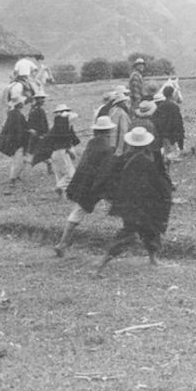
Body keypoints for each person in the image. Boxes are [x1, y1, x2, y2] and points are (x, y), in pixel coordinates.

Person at [98, 126, 173, 271]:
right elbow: (156, 183)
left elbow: (112, 178)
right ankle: (102, 264)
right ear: (146, 144)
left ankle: (153, 259)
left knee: (150, 232)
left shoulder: (124, 159)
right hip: (140, 206)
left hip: (128, 204)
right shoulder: (146, 162)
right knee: (131, 234)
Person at [54, 116, 120, 257]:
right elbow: (105, 172)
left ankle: (63, 243)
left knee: (77, 212)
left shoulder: (91, 144)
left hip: (82, 183)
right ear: (108, 132)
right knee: (125, 208)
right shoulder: (107, 149)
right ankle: (62, 243)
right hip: (94, 186)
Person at [42, 104, 81, 197]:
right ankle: (59, 187)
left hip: (54, 152)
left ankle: (61, 194)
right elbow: (74, 116)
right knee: (70, 174)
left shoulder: (56, 125)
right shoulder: (63, 123)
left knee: (59, 173)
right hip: (62, 151)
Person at [0, 98, 30, 187]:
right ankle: (13, 179)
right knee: (18, 160)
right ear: (19, 104)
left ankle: (17, 176)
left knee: (20, 160)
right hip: (16, 141)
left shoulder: (13, 114)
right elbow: (18, 130)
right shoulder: (16, 115)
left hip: (13, 140)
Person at [154, 85, 185, 162]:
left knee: (167, 147)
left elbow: (156, 121)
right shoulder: (175, 107)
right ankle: (167, 159)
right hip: (172, 133)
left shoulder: (159, 107)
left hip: (162, 132)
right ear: (172, 94)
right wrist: (181, 134)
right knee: (172, 150)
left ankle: (167, 157)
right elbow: (178, 122)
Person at [26, 91, 51, 175]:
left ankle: (49, 165)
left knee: (36, 151)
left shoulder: (33, 109)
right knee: (39, 151)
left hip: (35, 134)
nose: (43, 100)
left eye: (43, 98)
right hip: (38, 134)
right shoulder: (39, 110)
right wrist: (43, 134)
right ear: (38, 99)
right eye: (42, 99)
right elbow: (42, 124)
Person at [108, 89, 132, 156]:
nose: (125, 103)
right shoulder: (121, 113)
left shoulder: (112, 110)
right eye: (123, 102)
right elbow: (123, 130)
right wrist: (119, 148)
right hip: (120, 143)